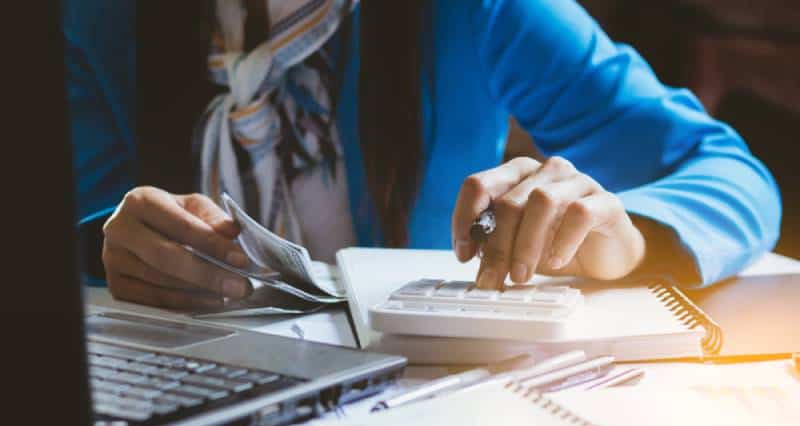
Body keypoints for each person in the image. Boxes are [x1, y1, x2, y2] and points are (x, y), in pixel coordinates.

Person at [67, 0, 781, 310]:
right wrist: (106, 243)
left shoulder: (475, 10)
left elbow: (728, 174)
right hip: (180, 415)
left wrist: (621, 239)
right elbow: (67, 216)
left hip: (430, 408)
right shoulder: (90, 19)